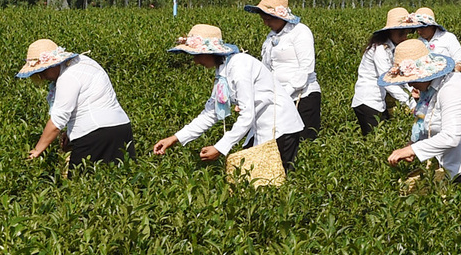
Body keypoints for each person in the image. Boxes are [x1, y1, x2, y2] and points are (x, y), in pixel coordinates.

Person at [154, 23, 307, 170]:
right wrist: (174, 138)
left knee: (273, 179)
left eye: (197, 55)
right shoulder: (222, 73)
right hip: (260, 127)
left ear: (210, 52)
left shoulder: (239, 68)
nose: (196, 61)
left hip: (281, 127)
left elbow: (247, 114)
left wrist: (220, 148)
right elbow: (211, 112)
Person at [384, 37, 461, 186]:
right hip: (460, 165)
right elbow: (429, 124)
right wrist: (410, 145)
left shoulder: (452, 87)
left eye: (412, 78)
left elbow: (451, 136)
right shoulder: (429, 92)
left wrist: (413, 149)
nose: (410, 84)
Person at [18, 39, 132, 168]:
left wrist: (37, 150)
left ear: (54, 64)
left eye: (43, 71)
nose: (42, 77)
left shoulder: (68, 77)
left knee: (83, 182)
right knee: (117, 177)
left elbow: (57, 120)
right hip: (121, 128)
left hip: (96, 136)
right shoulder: (83, 61)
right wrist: (71, 131)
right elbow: (88, 99)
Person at [246, 0, 321, 140]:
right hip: (279, 97)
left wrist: (285, 92)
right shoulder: (271, 36)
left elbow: (306, 67)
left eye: (268, 19)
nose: (266, 23)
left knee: (302, 141)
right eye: (263, 19)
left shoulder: (300, 32)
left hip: (302, 95)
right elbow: (266, 68)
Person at [351, 7, 420, 135]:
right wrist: (410, 103)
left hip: (379, 102)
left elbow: (397, 75)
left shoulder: (393, 49)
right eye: (401, 34)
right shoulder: (380, 49)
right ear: (390, 32)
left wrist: (411, 90)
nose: (404, 37)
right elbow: (387, 81)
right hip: (369, 101)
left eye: (406, 33)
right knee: (375, 141)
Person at [411, 8, 461, 75]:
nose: (419, 31)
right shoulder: (418, 42)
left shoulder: (448, 37)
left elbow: (460, 60)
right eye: (417, 28)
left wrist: (452, 73)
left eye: (422, 28)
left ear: (431, 26)